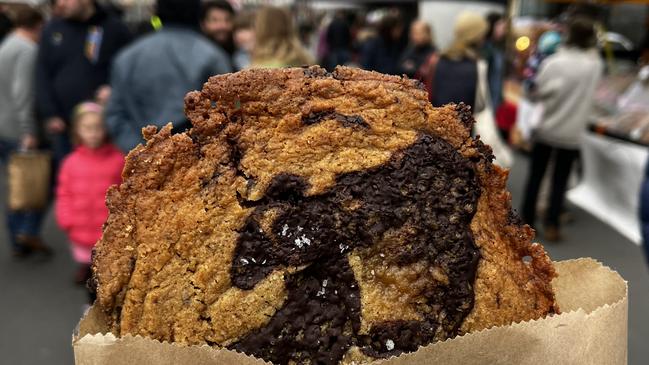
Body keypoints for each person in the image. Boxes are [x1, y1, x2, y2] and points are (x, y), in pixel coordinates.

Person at [105, 0, 232, 153]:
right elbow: (231, 107)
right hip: (199, 160)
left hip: (145, 157)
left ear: (157, 12)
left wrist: (143, 152)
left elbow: (115, 114)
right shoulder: (211, 55)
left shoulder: (128, 57)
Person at [521, 17, 603, 241]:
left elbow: (534, 92)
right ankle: (552, 223)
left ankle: (526, 220)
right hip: (572, 132)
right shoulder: (595, 65)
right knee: (560, 180)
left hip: (547, 128)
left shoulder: (553, 62)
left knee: (536, 175)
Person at [35, 0, 131, 165]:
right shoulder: (52, 29)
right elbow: (42, 74)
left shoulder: (114, 28)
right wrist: (50, 113)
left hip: (102, 127)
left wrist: (114, 89)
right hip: (63, 127)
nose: (60, 4)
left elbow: (129, 71)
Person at [0, 5, 51, 258]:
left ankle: (19, 238)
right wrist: (28, 130)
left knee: (16, 183)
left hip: (4, 125)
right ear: (38, 25)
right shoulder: (27, 50)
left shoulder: (8, 44)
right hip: (18, 128)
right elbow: (23, 94)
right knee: (36, 182)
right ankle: (25, 232)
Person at [55, 102, 124, 287]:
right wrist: (66, 218)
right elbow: (64, 193)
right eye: (87, 128)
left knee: (107, 272)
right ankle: (86, 278)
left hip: (108, 230)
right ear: (77, 130)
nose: (93, 133)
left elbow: (125, 192)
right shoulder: (70, 163)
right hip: (80, 227)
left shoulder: (118, 160)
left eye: (98, 127)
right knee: (88, 267)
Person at [425, 11, 488, 111]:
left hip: (438, 120)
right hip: (464, 123)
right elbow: (481, 104)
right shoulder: (478, 64)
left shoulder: (438, 58)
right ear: (476, 35)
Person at [482, 12, 507, 110]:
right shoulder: (485, 49)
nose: (503, 29)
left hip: (494, 103)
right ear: (491, 26)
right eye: (500, 25)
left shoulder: (498, 48)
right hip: (486, 104)